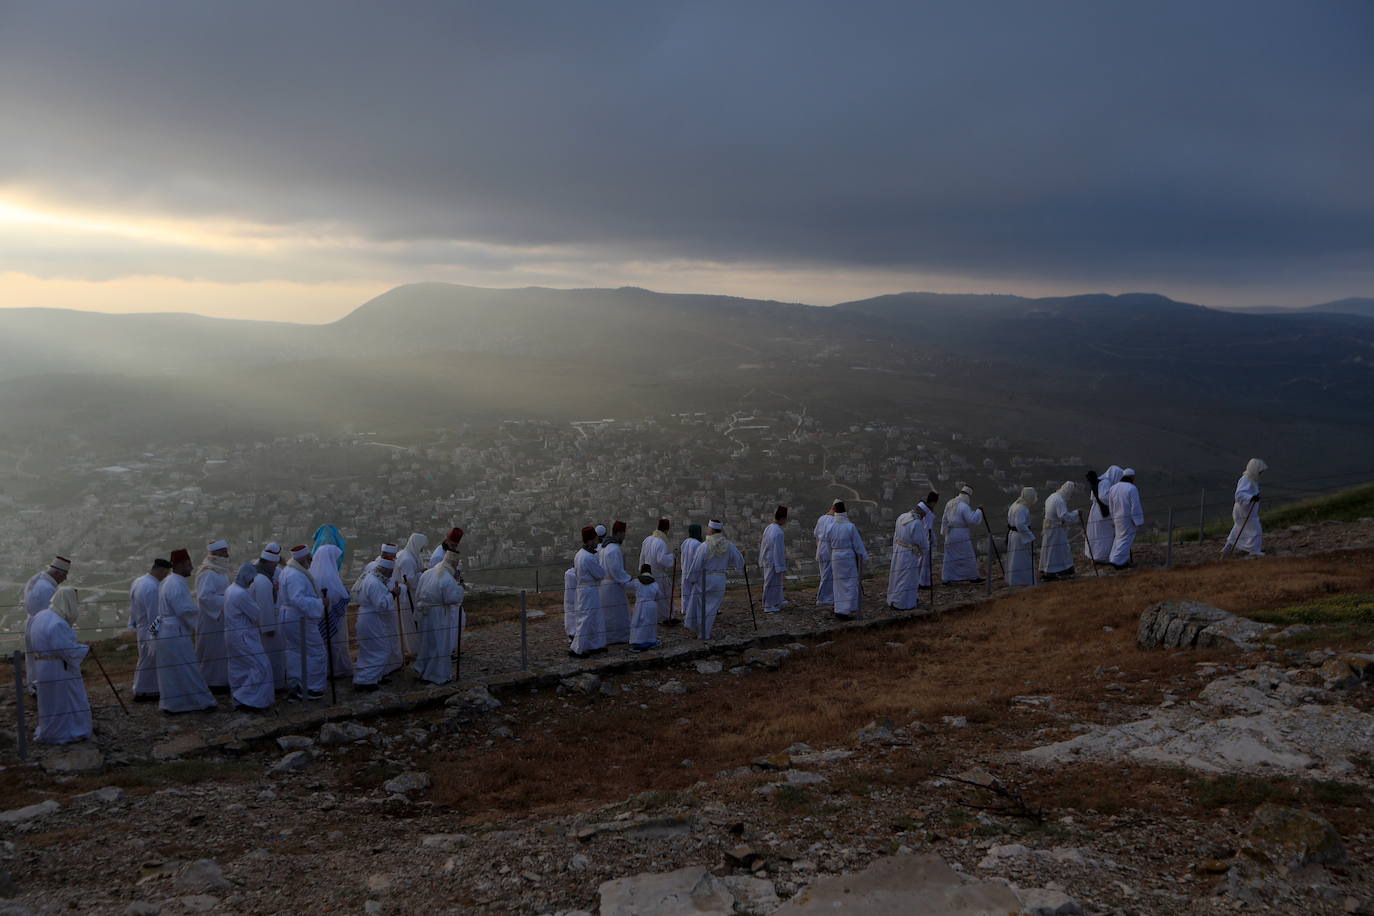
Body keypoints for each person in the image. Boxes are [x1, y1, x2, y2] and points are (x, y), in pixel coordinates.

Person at [156, 548, 216, 714]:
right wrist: (199, 625)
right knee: (188, 667)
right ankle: (200, 701)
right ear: (180, 565)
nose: (192, 568)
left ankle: (173, 704)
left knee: (172, 671)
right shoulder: (176, 584)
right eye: (189, 564)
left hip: (166, 631)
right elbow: (185, 611)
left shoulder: (167, 581)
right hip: (176, 632)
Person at [30, 587, 91, 744]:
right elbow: (67, 650)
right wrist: (85, 649)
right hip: (59, 668)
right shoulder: (58, 624)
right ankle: (68, 731)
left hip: (42, 667)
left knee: (49, 702)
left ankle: (49, 730)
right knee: (66, 700)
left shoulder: (41, 615)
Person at [224, 563, 274, 711]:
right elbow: (256, 614)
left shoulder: (230, 589)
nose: (253, 582)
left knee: (240, 668)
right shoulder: (240, 593)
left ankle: (241, 697)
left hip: (232, 634)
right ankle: (247, 698)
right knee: (262, 666)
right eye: (251, 578)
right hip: (243, 636)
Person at [280, 545, 326, 699]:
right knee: (316, 651)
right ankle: (312, 687)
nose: (311, 560)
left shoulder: (288, 570)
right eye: (309, 558)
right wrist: (320, 604)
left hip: (291, 617)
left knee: (295, 652)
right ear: (302, 558)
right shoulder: (296, 575)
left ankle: (297, 684)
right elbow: (298, 599)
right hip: (299, 619)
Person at [414, 548, 465, 684]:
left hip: (425, 613)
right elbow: (452, 599)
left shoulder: (428, 573)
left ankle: (423, 669)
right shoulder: (447, 578)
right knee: (440, 644)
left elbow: (418, 592)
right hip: (439, 614)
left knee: (427, 643)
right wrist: (460, 587)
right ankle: (435, 675)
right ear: (454, 564)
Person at [24, 556, 70, 690]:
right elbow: (49, 614)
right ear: (57, 573)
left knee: (32, 658)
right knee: (43, 658)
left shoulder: (36, 579)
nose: (65, 579)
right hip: (41, 627)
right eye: (64, 575)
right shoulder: (47, 589)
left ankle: (33, 685)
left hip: (31, 623)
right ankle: (42, 687)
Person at [129, 558, 171, 701]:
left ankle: (143, 689)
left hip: (142, 627)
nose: (166, 576)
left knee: (144, 659)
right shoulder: (153, 587)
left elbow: (133, 607)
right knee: (149, 661)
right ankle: (145, 691)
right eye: (166, 573)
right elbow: (154, 614)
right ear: (161, 570)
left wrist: (133, 624)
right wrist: (154, 635)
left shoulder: (138, 581)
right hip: (150, 629)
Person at [310, 542, 353, 679]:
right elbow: (335, 596)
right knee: (336, 644)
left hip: (318, 616)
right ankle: (338, 670)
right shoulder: (328, 577)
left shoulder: (313, 574)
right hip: (332, 617)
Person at [193, 539, 232, 692]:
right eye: (223, 551)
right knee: (211, 651)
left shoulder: (220, 570)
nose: (226, 554)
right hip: (211, 618)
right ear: (215, 553)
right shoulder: (208, 572)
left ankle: (221, 681)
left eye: (225, 550)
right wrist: (228, 599)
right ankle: (209, 682)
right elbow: (204, 597)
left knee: (221, 651)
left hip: (221, 617)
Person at [353, 556, 398, 690]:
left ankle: (372, 677)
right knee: (381, 649)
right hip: (372, 620)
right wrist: (393, 594)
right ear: (385, 570)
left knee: (369, 650)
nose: (391, 575)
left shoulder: (371, 578)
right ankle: (366, 681)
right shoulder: (375, 583)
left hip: (368, 619)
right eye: (390, 572)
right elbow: (382, 604)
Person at [696, 520, 744, 639]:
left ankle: (701, 633)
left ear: (710, 530)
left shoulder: (704, 546)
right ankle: (704, 633)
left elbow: (696, 565)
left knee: (702, 605)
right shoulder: (728, 545)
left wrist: (692, 579)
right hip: (720, 579)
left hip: (705, 578)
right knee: (712, 608)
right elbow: (739, 562)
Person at [250, 546, 286, 693]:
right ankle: (275, 685)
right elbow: (264, 607)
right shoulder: (263, 581)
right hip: (268, 629)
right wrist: (269, 628)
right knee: (273, 656)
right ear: (269, 563)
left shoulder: (260, 575)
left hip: (263, 626)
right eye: (274, 564)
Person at [826, 502, 869, 619]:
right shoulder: (850, 526)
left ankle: (839, 608)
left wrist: (831, 556)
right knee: (850, 582)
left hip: (835, 556)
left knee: (838, 583)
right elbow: (858, 544)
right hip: (848, 556)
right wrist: (864, 556)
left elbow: (828, 544)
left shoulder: (830, 526)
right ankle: (847, 608)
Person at [570, 526, 607, 658]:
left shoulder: (579, 554)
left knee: (592, 617)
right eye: (596, 539)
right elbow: (600, 574)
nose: (598, 541)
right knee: (586, 618)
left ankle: (593, 644)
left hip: (584, 589)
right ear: (591, 540)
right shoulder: (588, 558)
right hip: (589, 590)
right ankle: (578, 648)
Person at [886, 502, 929, 611]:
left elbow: (896, 535)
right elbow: (920, 541)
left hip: (898, 549)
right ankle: (902, 603)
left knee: (897, 575)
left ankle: (892, 598)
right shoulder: (917, 523)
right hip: (909, 553)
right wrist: (925, 549)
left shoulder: (902, 516)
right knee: (907, 577)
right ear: (922, 512)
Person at [940, 485, 985, 584]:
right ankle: (972, 576)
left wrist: (943, 532)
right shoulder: (963, 506)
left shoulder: (949, 503)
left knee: (949, 557)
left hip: (950, 534)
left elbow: (944, 519)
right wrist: (979, 511)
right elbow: (972, 520)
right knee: (968, 555)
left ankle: (947, 578)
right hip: (961, 534)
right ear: (968, 496)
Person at [1223, 459, 1268, 557]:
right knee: (1255, 529)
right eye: (1259, 471)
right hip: (1244, 511)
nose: (1261, 473)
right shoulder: (1245, 479)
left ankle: (1227, 549)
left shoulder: (1252, 479)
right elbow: (1239, 494)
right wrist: (1251, 498)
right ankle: (1254, 550)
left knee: (1238, 528)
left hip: (1245, 510)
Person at [598, 521, 633, 644]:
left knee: (608, 614)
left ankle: (608, 637)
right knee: (617, 613)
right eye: (623, 534)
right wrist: (629, 579)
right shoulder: (614, 549)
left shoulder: (604, 547)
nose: (624, 537)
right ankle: (618, 637)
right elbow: (617, 570)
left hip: (604, 585)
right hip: (613, 586)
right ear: (619, 533)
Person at [395, 533, 428, 656]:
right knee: (409, 622)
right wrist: (422, 575)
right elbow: (410, 580)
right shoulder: (407, 559)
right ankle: (413, 649)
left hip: (406, 594)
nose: (422, 550)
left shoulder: (406, 555)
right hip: (407, 595)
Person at [1040, 481, 1080, 580]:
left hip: (1049, 527)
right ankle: (1057, 571)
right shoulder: (1060, 500)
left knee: (1050, 550)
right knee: (1059, 550)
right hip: (1055, 529)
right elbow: (1064, 516)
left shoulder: (1052, 496)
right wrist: (1076, 513)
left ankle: (1048, 570)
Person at [638, 519, 676, 621]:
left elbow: (642, 556)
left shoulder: (647, 539)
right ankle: (663, 618)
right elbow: (661, 559)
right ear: (667, 530)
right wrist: (672, 557)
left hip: (647, 573)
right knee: (662, 598)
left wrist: (642, 571)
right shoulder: (661, 542)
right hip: (658, 574)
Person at [1084, 466, 1123, 563]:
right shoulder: (1106, 482)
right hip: (1102, 512)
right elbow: (1103, 497)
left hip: (1097, 510)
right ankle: (1102, 557)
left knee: (1097, 533)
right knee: (1104, 534)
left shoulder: (1101, 481)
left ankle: (1096, 555)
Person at [1107, 469, 1144, 569]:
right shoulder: (1132, 488)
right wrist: (1138, 521)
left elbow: (1111, 506)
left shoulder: (1113, 488)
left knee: (1118, 539)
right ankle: (1117, 562)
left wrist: (1113, 518)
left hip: (1117, 518)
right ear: (1132, 477)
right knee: (1126, 540)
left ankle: (1115, 559)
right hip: (1127, 519)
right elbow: (1135, 506)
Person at [1005, 488, 1038, 587]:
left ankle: (1014, 580)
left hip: (1013, 535)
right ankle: (1024, 580)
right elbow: (1020, 524)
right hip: (1020, 537)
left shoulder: (1015, 504)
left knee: (1014, 559)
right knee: (1023, 559)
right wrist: (1031, 536)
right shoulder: (1022, 508)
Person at [758, 506, 788, 614]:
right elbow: (778, 551)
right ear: (783, 518)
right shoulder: (779, 532)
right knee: (771, 582)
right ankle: (768, 605)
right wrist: (781, 565)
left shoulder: (769, 527)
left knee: (776, 582)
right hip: (773, 560)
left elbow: (763, 544)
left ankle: (777, 601)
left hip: (768, 557)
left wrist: (761, 558)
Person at [626, 564, 663, 651]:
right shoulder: (655, 583)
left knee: (638, 624)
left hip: (640, 605)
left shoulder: (637, 581)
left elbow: (626, 585)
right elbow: (659, 595)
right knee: (649, 625)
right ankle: (649, 641)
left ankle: (638, 642)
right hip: (651, 605)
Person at [813, 502, 840, 606]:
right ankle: (823, 598)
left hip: (820, 547)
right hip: (829, 549)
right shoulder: (834, 520)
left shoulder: (822, 518)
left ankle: (828, 595)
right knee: (827, 575)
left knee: (825, 573)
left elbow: (815, 533)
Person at [678, 523, 704, 625]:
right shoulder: (698, 544)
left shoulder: (685, 542)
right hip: (695, 572)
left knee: (686, 593)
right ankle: (694, 613)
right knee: (696, 594)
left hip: (685, 571)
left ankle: (685, 610)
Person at [916, 491, 939, 590]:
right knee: (926, 562)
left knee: (920, 561)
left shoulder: (922, 507)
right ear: (934, 502)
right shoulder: (928, 512)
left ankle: (916, 580)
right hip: (926, 539)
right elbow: (928, 528)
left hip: (920, 537)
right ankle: (924, 583)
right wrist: (933, 539)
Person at [563, 565, 578, 642]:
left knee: (570, 613)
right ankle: (573, 633)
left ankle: (571, 632)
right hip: (575, 595)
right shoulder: (573, 574)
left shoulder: (568, 573)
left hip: (569, 596)